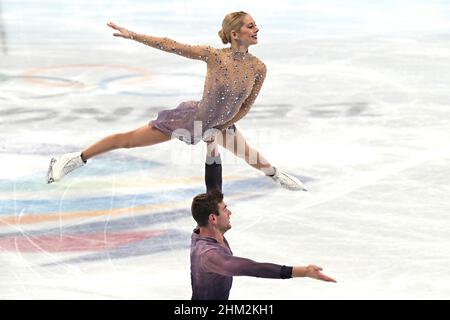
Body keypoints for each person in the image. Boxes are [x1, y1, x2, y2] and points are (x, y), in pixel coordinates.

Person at [46, 11, 305, 191]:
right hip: (191, 120)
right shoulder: (215, 56)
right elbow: (171, 45)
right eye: (250, 26)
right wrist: (133, 35)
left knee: (251, 156)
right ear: (234, 34)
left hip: (221, 125)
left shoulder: (259, 67)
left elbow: (246, 106)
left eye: (255, 25)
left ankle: (277, 176)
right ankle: (73, 159)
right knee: (127, 140)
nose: (256, 29)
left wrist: (222, 127)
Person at [190, 140, 336, 300]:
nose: (230, 212)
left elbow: (213, 182)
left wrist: (211, 142)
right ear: (213, 218)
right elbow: (252, 268)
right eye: (225, 210)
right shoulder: (209, 256)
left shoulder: (206, 224)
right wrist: (304, 271)